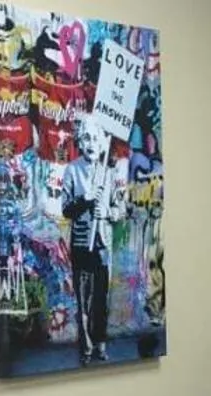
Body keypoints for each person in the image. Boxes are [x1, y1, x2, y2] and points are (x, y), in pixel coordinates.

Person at [62, 116, 125, 364]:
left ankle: (100, 343)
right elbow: (66, 209)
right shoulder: (72, 170)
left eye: (95, 139)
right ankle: (86, 346)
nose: (90, 143)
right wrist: (85, 199)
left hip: (102, 245)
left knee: (101, 299)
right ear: (80, 142)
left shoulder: (109, 173)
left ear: (102, 144)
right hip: (81, 244)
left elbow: (120, 209)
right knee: (83, 299)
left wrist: (108, 212)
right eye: (86, 138)